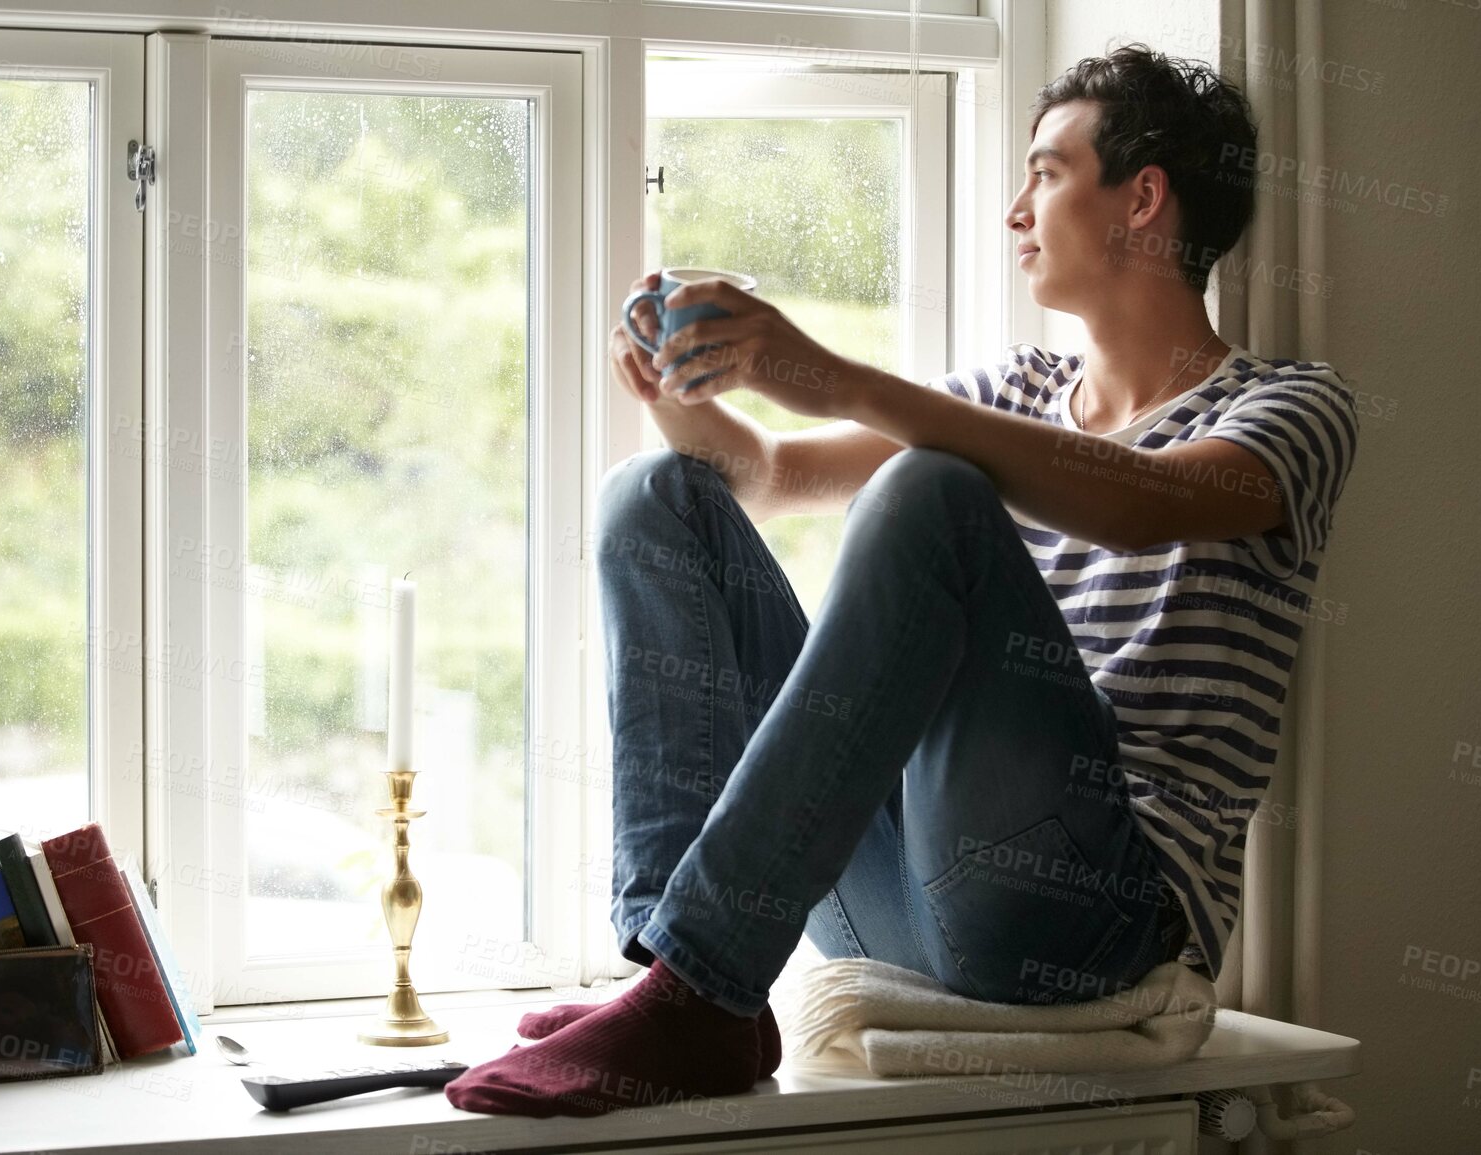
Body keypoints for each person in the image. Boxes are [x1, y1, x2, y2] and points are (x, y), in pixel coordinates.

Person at [445, 42, 1359, 1118]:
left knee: (930, 490)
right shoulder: (1014, 389)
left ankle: (697, 986)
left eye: (1048, 172)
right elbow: (770, 477)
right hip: (907, 896)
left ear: (1143, 199)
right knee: (656, 498)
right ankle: (677, 977)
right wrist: (674, 380)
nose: (1016, 208)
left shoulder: (1293, 406)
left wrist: (821, 371)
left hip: (1093, 915)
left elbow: (1135, 503)